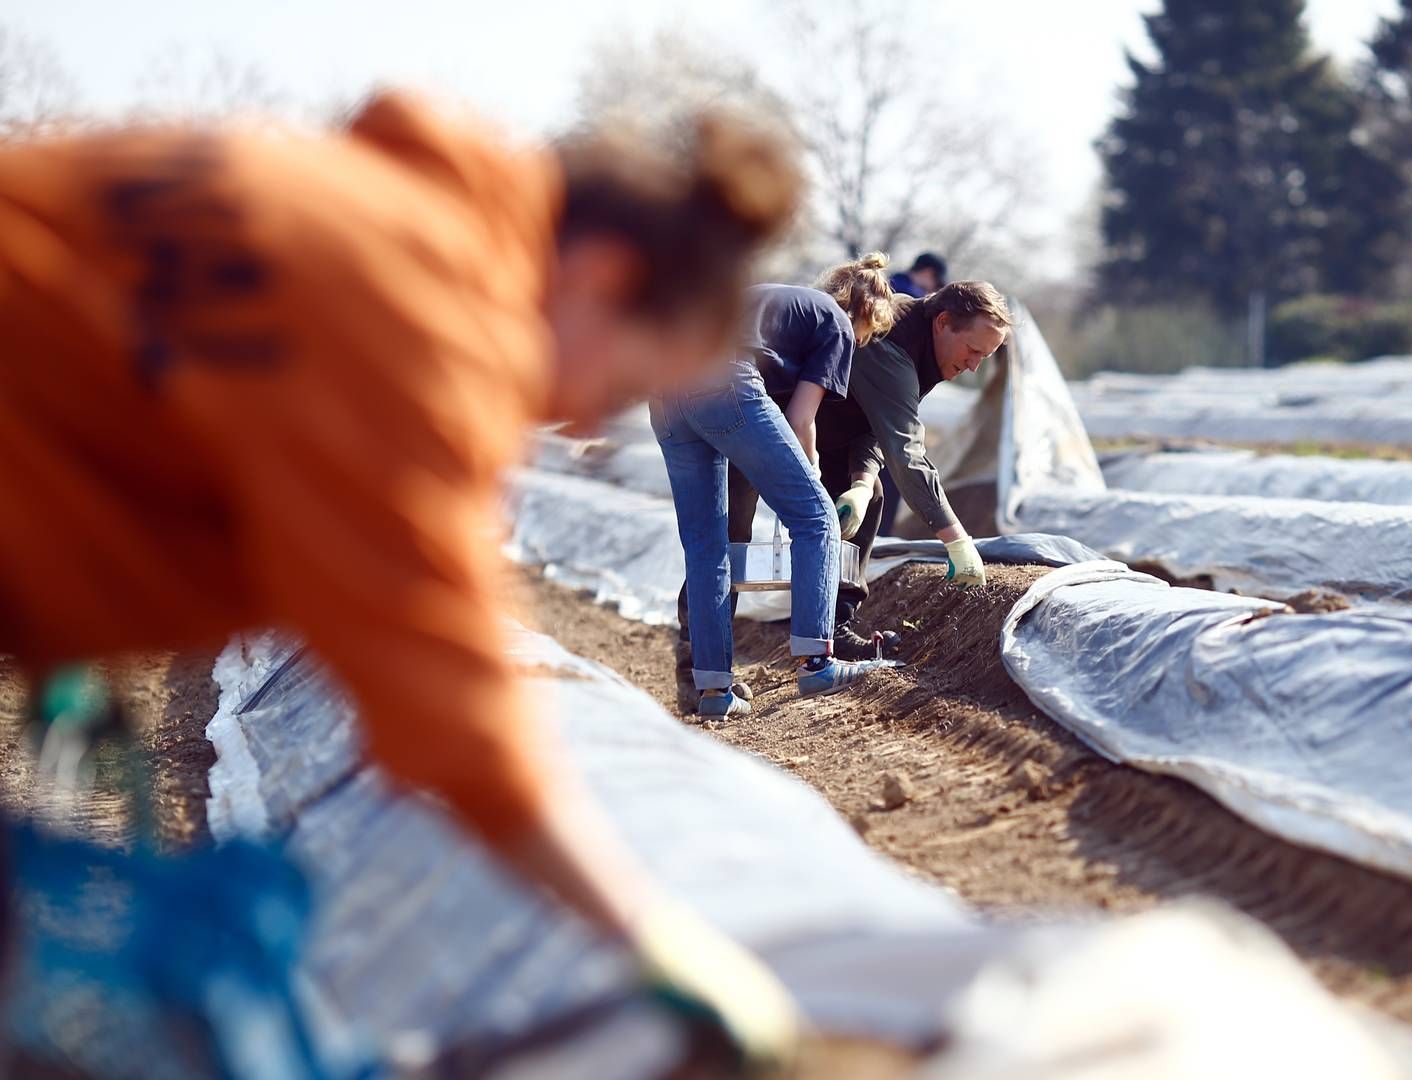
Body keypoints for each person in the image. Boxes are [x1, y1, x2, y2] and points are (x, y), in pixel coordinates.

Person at [0, 93, 803, 1068]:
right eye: (621, 389)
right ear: (599, 275)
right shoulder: (418, 320)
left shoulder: (374, 206)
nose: (591, 429)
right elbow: (447, 702)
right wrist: (646, 933)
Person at [655, 256, 897, 717]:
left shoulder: (780, 302)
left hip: (666, 390)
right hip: (724, 382)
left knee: (709, 547)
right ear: (865, 315)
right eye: (870, 337)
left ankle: (714, 691)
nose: (862, 344)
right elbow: (801, 418)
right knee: (817, 517)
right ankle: (818, 663)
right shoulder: (839, 325)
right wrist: (814, 474)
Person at [819, 281, 1013, 656]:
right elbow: (905, 452)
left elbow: (876, 421)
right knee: (734, 531)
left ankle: (834, 628)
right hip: (765, 412)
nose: (974, 367)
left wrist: (860, 481)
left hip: (826, 426)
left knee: (871, 496)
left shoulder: (927, 350)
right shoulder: (893, 342)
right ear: (943, 322)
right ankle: (702, 658)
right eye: (973, 350)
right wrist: (956, 539)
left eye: (984, 358)